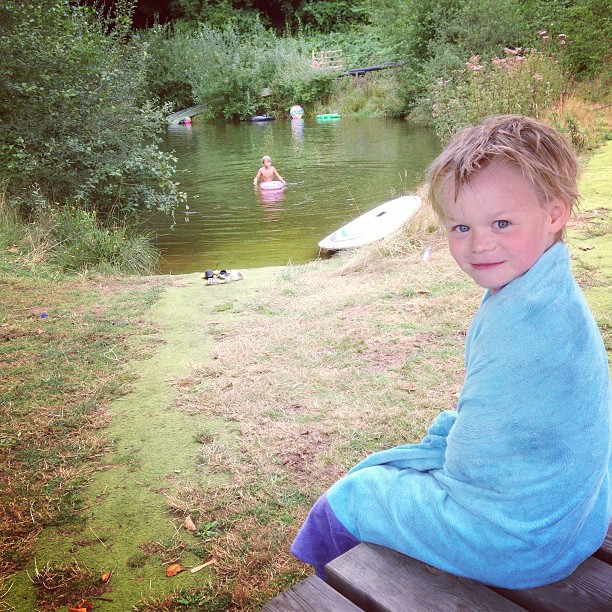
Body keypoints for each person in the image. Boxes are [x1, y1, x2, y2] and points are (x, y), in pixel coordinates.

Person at [291, 115, 612, 588]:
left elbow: (471, 468)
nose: (479, 244)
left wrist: (435, 459)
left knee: (351, 495)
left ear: (553, 214)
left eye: (501, 223)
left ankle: (330, 589)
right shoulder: (548, 288)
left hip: (523, 545)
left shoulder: (519, 329)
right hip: (577, 521)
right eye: (461, 227)